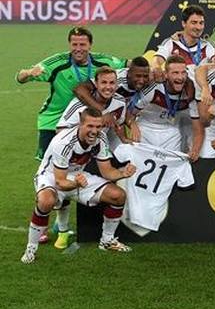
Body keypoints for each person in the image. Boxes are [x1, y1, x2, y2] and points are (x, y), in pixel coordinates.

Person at [21, 108, 135, 264]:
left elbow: (107, 171)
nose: (94, 131)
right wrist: (76, 183)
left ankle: (107, 241)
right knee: (46, 201)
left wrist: (123, 173)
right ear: (80, 124)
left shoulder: (101, 139)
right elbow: (60, 182)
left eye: (98, 126)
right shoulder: (65, 142)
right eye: (90, 126)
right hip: (51, 176)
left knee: (118, 195)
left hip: (77, 176)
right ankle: (31, 249)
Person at [15, 26, 127, 160]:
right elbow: (20, 78)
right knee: (49, 165)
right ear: (69, 44)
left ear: (90, 45)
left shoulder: (102, 61)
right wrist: (28, 73)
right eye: (74, 44)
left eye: (82, 44)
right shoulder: (57, 63)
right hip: (54, 120)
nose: (78, 48)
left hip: (86, 121)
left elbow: (128, 65)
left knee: (83, 165)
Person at [130, 56, 203, 159]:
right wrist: (132, 124)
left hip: (172, 131)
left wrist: (195, 150)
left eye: (183, 73)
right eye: (175, 73)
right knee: (141, 161)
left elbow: (197, 127)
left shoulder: (190, 92)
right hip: (146, 128)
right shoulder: (153, 90)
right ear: (166, 75)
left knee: (172, 164)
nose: (180, 77)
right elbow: (131, 113)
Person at [154, 5, 215, 69]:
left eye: (201, 23)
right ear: (184, 23)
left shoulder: (207, 45)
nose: (198, 27)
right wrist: (157, 68)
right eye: (194, 23)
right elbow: (156, 62)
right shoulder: (172, 43)